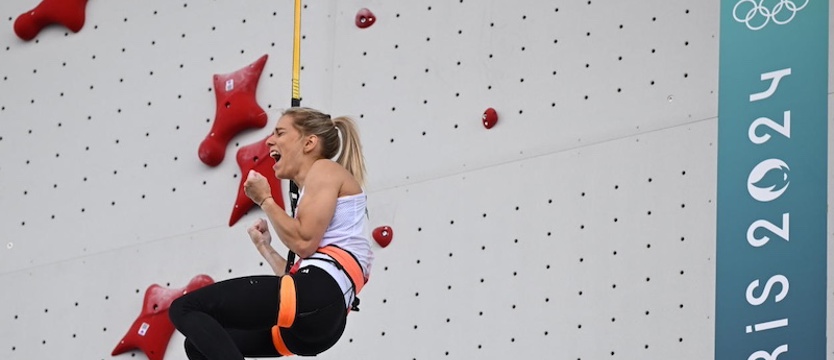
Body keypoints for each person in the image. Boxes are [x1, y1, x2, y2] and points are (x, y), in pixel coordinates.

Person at [169, 107, 374, 359]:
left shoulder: (324, 170)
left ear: (309, 143)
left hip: (319, 297)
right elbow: (297, 278)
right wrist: (265, 248)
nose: (269, 140)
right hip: (319, 319)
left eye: (280, 133)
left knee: (186, 308)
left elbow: (304, 242)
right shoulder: (321, 188)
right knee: (197, 346)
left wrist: (265, 199)